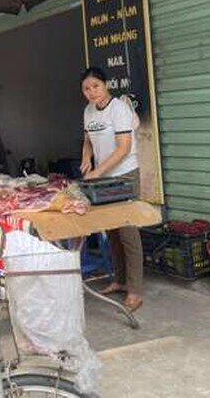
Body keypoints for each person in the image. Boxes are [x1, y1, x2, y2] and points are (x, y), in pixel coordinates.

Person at [80, 66, 144, 312]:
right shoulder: (88, 111)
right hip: (103, 177)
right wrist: (87, 158)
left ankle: (135, 290)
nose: (91, 92)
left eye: (95, 86)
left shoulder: (119, 109)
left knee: (128, 232)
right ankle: (119, 280)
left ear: (106, 85)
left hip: (124, 175)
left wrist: (98, 171)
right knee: (112, 231)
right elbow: (87, 139)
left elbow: (124, 148)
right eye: (86, 88)